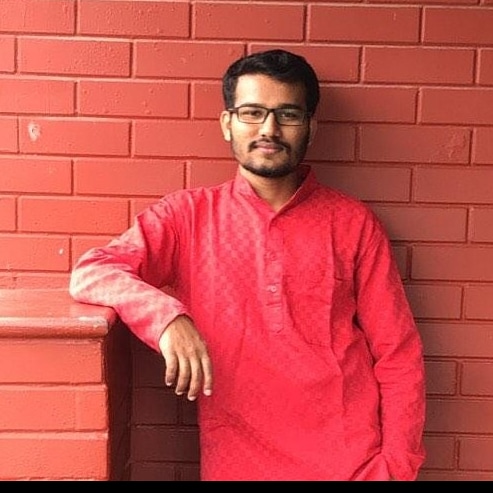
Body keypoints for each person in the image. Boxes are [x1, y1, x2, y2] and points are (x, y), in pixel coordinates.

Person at [69, 49, 426, 481]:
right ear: (228, 123)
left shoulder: (353, 223)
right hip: (238, 460)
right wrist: (166, 318)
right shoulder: (188, 217)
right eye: (252, 113)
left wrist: (398, 465)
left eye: (287, 115)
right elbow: (93, 271)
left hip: (352, 463)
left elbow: (398, 353)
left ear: (310, 126)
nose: (269, 129)